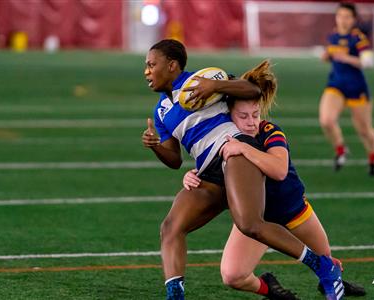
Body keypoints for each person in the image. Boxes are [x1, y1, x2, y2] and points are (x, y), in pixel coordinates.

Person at [142, 39, 343, 300]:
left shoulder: (203, 78)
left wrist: (215, 86)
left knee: (250, 224)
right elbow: (174, 160)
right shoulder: (160, 111)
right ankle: (175, 297)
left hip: (234, 151)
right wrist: (155, 146)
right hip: (207, 172)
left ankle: (323, 266)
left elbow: (250, 89)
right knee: (170, 227)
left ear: (171, 66)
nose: (146, 71)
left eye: (151, 65)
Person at [183, 95, 366, 298]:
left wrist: (243, 147)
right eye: (243, 116)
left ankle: (332, 282)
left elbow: (279, 170)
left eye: (255, 114)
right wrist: (192, 176)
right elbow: (211, 175)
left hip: (294, 211)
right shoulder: (221, 140)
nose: (252, 122)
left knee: (327, 264)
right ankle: (271, 289)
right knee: (232, 276)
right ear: (227, 116)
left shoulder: (269, 130)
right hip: (258, 221)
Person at [319, 2, 374, 175]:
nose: (343, 20)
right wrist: (327, 56)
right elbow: (332, 55)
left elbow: (369, 62)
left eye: (347, 17)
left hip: (356, 87)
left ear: (353, 19)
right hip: (336, 85)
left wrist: (347, 58)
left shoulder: (358, 37)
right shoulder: (333, 35)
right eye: (340, 16)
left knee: (364, 130)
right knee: (326, 120)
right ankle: (340, 149)